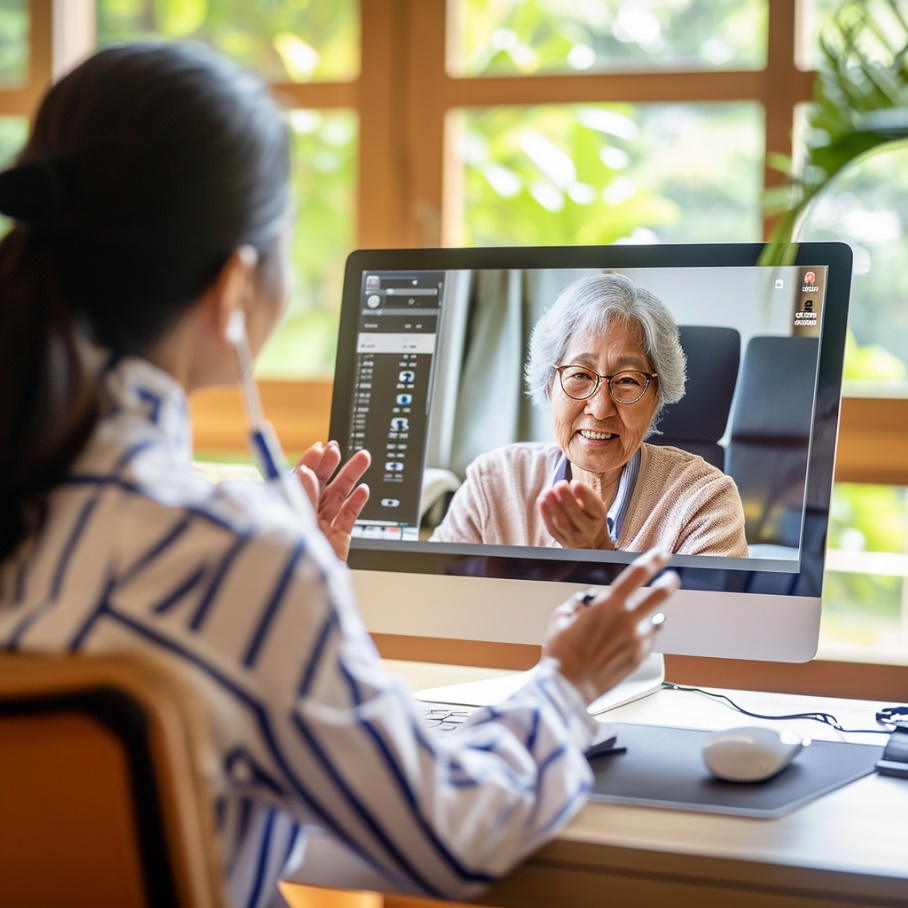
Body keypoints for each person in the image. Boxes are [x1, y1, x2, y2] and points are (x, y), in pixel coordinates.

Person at [0, 43, 680, 908]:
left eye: (628, 381)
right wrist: (570, 682)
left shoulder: (219, 545)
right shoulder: (235, 558)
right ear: (235, 287)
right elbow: (452, 835)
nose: (600, 402)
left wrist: (293, 571)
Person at [431, 273, 749, 557]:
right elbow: (434, 600)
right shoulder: (494, 482)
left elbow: (704, 622)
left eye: (627, 381)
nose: (599, 408)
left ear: (657, 398)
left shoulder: (705, 501)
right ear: (549, 388)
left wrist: (598, 554)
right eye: (580, 375)